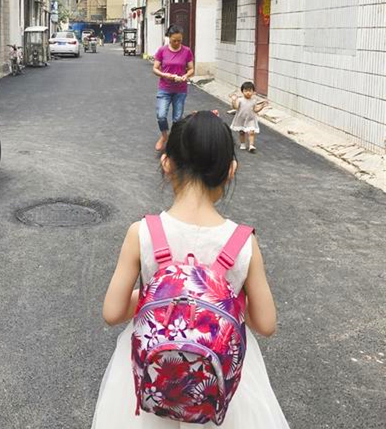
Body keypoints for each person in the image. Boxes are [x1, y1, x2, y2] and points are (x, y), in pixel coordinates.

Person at [91, 111, 290, 429]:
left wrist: (164, 294)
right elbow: (266, 323)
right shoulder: (242, 243)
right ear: (230, 171)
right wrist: (221, 298)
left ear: (166, 163)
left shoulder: (141, 233)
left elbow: (113, 312)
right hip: (219, 380)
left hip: (154, 376)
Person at [152, 25, 194, 152]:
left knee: (177, 119)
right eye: (174, 40)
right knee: (161, 115)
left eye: (179, 40)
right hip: (165, 88)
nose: (177, 43)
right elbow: (155, 68)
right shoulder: (162, 51)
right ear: (169, 38)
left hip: (180, 90)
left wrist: (185, 76)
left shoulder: (187, 51)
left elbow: (191, 69)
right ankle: (164, 136)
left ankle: (174, 143)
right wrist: (165, 75)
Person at [229, 81, 269, 153]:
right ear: (242, 91)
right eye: (245, 91)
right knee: (242, 132)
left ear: (253, 92)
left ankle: (251, 145)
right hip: (241, 118)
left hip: (251, 119)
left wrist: (262, 106)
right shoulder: (240, 100)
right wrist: (234, 100)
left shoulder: (254, 101)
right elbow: (236, 107)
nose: (248, 92)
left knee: (251, 132)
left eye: (250, 91)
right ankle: (243, 143)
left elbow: (255, 110)